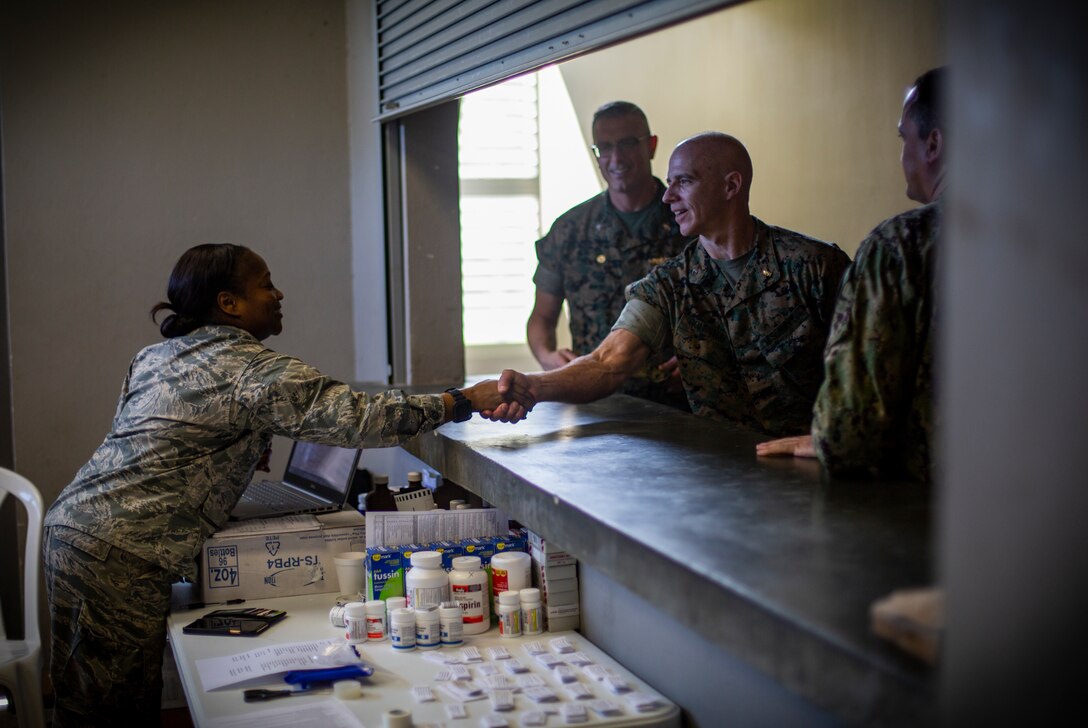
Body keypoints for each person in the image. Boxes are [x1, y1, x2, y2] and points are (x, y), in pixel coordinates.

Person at [42, 243, 519, 726]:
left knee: (90, 697)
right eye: (265, 284)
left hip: (82, 531)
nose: (278, 293)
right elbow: (359, 418)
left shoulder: (156, 356)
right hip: (120, 553)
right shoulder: (252, 369)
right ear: (229, 303)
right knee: (109, 710)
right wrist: (461, 401)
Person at [492, 132, 851, 436]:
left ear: (731, 185)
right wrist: (533, 387)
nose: (667, 196)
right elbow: (607, 363)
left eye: (684, 181)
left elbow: (868, 371)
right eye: (669, 183)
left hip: (818, 471)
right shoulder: (669, 285)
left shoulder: (814, 267)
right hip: (726, 473)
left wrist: (828, 443)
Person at [756, 67, 946, 480]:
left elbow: (852, 427)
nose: (902, 154)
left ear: (933, 144)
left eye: (904, 138)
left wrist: (827, 437)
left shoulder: (901, 245)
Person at [527, 101, 689, 410]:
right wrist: (548, 357)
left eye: (628, 144)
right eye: (605, 147)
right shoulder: (570, 230)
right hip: (592, 403)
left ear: (651, 145)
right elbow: (541, 317)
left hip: (676, 406)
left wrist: (702, 357)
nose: (616, 159)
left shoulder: (688, 223)